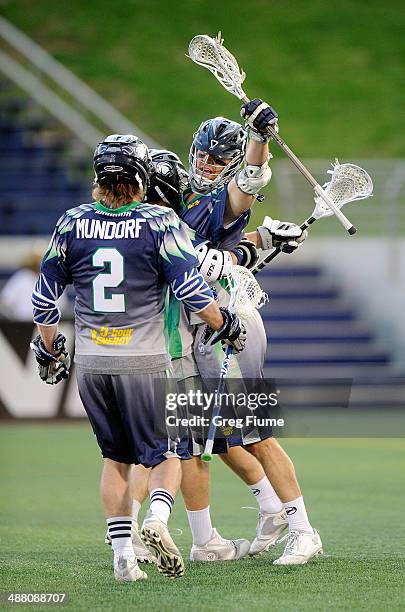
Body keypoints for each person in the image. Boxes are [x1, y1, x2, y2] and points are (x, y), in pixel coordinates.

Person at [29, 134, 247, 582]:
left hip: (92, 363)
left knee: (115, 459)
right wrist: (224, 320)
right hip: (147, 361)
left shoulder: (70, 223)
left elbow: (44, 301)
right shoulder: (159, 222)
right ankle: (157, 522)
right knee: (169, 454)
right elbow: (191, 291)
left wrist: (50, 348)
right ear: (142, 177)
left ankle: (123, 558)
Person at [181, 101, 322, 566]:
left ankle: (303, 529)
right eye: (203, 153)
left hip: (229, 321)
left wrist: (258, 138)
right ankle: (269, 509)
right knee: (213, 436)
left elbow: (250, 182)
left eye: (218, 158)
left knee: (255, 430)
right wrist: (256, 244)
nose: (207, 163)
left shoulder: (223, 196)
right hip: (196, 325)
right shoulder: (177, 197)